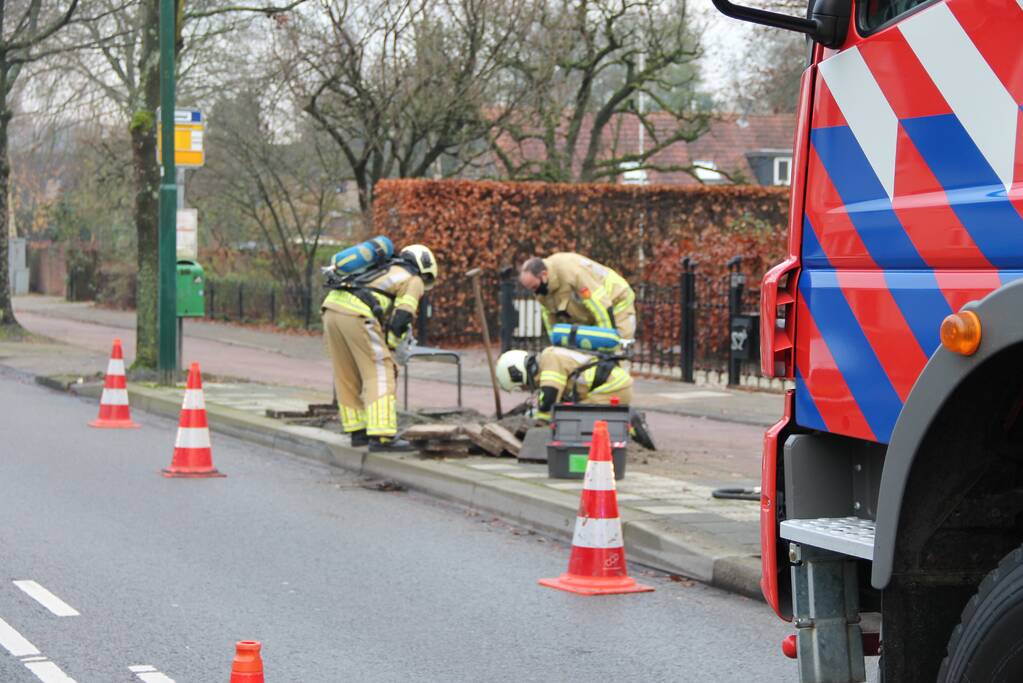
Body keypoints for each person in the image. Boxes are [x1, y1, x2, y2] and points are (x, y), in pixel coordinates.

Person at [322, 244, 437, 451]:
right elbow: (402, 317)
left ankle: (357, 431)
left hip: (331, 308)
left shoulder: (381, 268)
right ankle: (382, 436)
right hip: (357, 313)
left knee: (346, 373)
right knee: (381, 372)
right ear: (425, 268)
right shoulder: (413, 279)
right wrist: (393, 347)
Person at [518, 253, 636, 342]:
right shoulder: (543, 289)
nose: (535, 292)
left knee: (618, 346)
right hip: (594, 312)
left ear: (544, 275)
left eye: (534, 287)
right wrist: (556, 341)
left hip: (617, 300)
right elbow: (549, 318)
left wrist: (607, 339)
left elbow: (599, 304)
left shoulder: (572, 272)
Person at [495, 346, 632, 421]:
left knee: (576, 420)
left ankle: (632, 425)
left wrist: (533, 417)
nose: (525, 389)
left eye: (522, 386)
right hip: (609, 384)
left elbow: (549, 400)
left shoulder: (549, 360)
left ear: (518, 374)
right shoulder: (546, 361)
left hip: (611, 386)